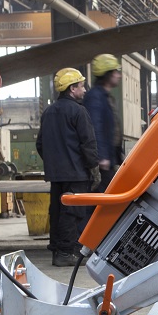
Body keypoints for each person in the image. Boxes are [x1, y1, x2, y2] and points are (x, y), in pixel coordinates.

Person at [36, 68, 101, 267]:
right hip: (76, 173)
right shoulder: (78, 111)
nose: (84, 90)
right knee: (72, 213)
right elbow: (88, 143)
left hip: (56, 175)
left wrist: (54, 163)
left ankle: (58, 250)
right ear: (72, 89)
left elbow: (40, 144)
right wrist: (94, 168)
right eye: (81, 86)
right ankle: (66, 253)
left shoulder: (48, 112)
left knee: (57, 211)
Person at [84, 53, 124, 192]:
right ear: (108, 74)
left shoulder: (105, 97)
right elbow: (96, 127)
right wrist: (102, 156)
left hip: (109, 158)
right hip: (102, 162)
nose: (119, 75)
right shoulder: (95, 97)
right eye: (116, 72)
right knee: (103, 197)